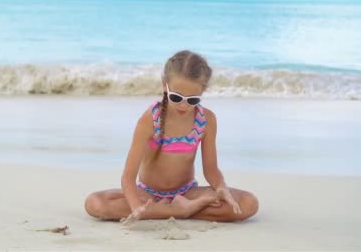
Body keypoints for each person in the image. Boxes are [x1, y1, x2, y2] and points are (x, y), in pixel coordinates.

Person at [84, 50, 259, 223]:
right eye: (176, 97)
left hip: (188, 193)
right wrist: (137, 206)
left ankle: (171, 210)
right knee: (95, 203)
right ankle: (183, 210)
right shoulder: (151, 119)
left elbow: (211, 170)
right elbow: (128, 178)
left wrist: (221, 187)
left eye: (192, 100)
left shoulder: (206, 120)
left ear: (202, 92)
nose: (184, 105)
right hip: (148, 194)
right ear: (164, 85)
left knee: (248, 203)